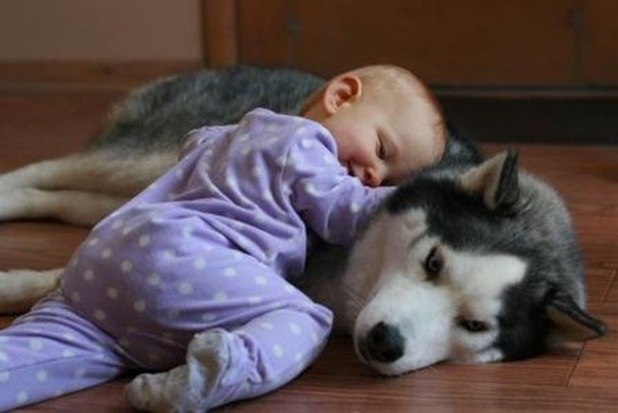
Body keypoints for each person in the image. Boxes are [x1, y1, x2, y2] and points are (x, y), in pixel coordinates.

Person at [0, 65, 446, 411]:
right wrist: (415, 196)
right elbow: (348, 212)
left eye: (388, 175)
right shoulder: (303, 144)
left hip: (102, 265)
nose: (374, 175)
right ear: (341, 96)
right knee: (305, 317)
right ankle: (224, 368)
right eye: (382, 150)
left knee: (34, 356)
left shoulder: (226, 134)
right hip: (181, 259)